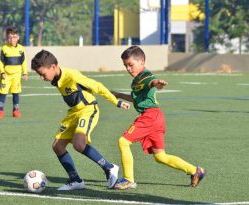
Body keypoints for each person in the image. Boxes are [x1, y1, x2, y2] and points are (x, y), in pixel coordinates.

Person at [31, 49, 130, 190]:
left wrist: (117, 102)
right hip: (73, 113)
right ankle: (76, 180)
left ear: (53, 67)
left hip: (88, 109)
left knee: (79, 143)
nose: (42, 78)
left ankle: (109, 168)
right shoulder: (55, 79)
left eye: (42, 74)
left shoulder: (72, 75)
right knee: (57, 146)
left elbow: (97, 86)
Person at [111, 46, 205, 190]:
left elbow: (153, 82)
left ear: (142, 61)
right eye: (126, 66)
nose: (128, 69)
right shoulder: (136, 80)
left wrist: (158, 84)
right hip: (156, 117)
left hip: (150, 117)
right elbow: (136, 98)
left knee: (123, 141)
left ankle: (129, 179)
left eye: (131, 65)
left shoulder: (146, 75)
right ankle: (195, 170)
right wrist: (118, 95)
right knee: (160, 156)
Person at [0, 28, 28, 119]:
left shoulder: (21, 49)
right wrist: (2, 72)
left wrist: (25, 73)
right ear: (7, 38)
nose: (12, 39)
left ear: (18, 38)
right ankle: (0, 110)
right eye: (10, 37)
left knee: (16, 93)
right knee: (3, 93)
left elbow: (23, 62)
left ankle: (16, 110)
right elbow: (0, 62)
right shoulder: (4, 48)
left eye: (14, 37)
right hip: (6, 75)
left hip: (17, 75)